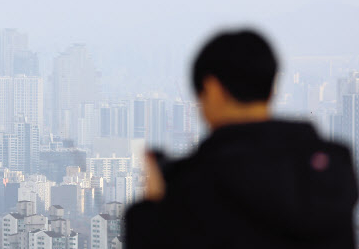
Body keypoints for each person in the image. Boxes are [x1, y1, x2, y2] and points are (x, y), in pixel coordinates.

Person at [125, 29, 358, 249]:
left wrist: (150, 210)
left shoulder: (196, 185)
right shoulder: (332, 171)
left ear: (213, 89)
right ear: (271, 88)